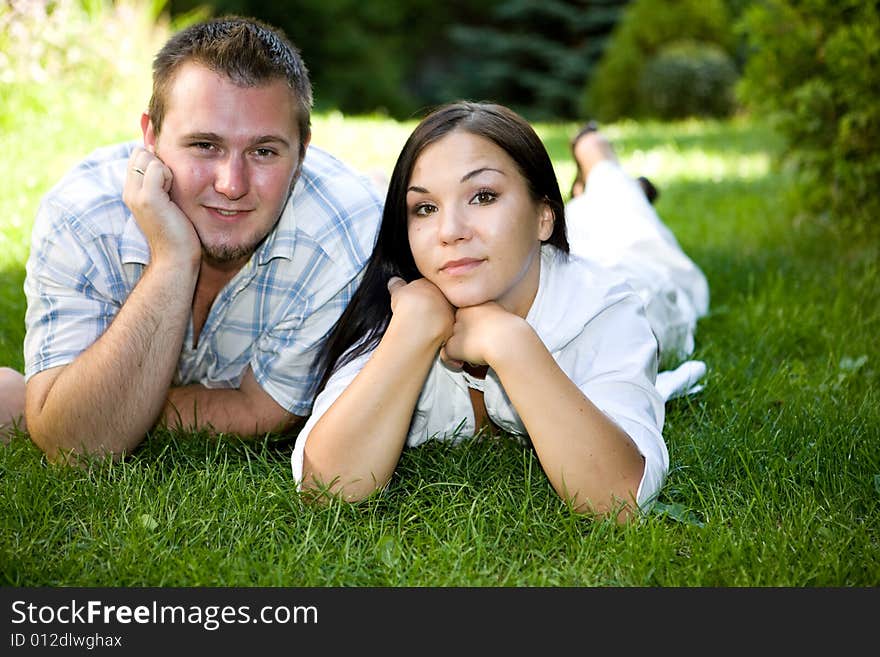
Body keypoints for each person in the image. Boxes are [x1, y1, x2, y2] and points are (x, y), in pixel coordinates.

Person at [21, 16, 383, 462]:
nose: (232, 184)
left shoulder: (345, 232)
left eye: (263, 151)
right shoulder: (83, 218)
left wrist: (93, 402)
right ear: (151, 136)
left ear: (303, 151)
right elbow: (73, 445)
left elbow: (263, 410)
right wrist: (172, 260)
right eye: (204, 146)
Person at [292, 101, 672, 523]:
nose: (450, 231)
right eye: (425, 208)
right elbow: (327, 488)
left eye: (483, 196)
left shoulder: (604, 306)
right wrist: (413, 331)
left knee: (625, 221)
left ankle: (598, 158)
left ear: (544, 215)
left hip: (638, 271)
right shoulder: (401, 302)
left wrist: (509, 342)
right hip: (528, 255)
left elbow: (618, 501)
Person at [565, 126, 709, 394]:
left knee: (608, 198)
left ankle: (606, 174)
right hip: (634, 276)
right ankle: (625, 185)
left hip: (597, 270)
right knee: (623, 217)